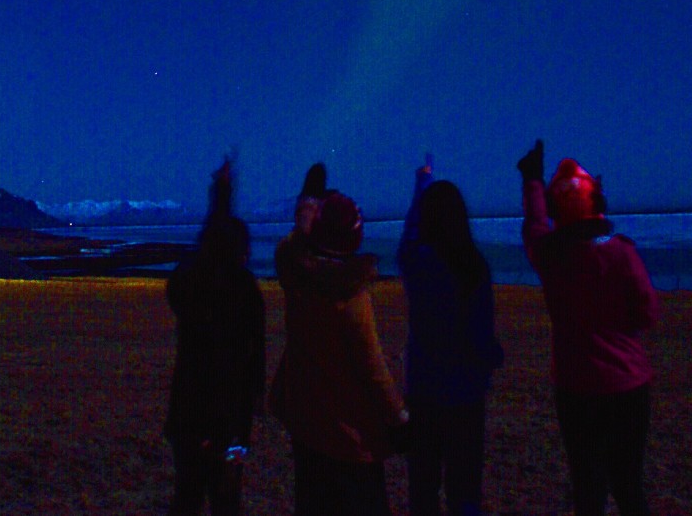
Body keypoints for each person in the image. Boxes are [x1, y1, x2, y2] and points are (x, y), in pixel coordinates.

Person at [518, 139, 661, 516]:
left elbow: (535, 226)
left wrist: (531, 180)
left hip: (575, 386)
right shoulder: (622, 253)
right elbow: (648, 313)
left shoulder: (550, 256)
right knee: (629, 483)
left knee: (587, 486)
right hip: (627, 384)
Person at [272, 185, 407, 516]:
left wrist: (305, 221)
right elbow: (372, 369)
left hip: (306, 422)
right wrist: (399, 417)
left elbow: (287, 250)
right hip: (348, 435)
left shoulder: (296, 277)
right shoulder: (352, 299)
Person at [396, 154, 503, 516]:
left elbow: (409, 236)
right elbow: (480, 336)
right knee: (465, 487)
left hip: (424, 390)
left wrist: (422, 185)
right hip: (465, 394)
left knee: (423, 487)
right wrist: (492, 358)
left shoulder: (418, 266)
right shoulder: (473, 268)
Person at [165, 157, 266, 516]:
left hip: (187, 419)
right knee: (227, 498)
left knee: (187, 494)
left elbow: (205, 256)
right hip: (232, 422)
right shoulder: (243, 289)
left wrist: (220, 198)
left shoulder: (190, 285)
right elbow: (257, 352)